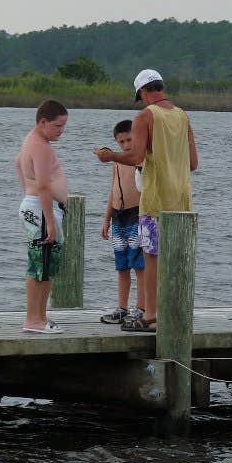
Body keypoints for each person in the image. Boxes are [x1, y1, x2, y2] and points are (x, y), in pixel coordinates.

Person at [94, 69, 198, 331]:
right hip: (182, 201)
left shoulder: (145, 116)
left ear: (142, 92)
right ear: (161, 86)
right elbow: (193, 163)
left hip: (153, 202)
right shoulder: (182, 115)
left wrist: (110, 156)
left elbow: (135, 156)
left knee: (151, 258)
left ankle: (151, 316)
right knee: (174, 260)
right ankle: (174, 313)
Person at [15, 100, 69, 333]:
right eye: (58, 126)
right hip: (41, 208)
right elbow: (45, 186)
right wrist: (50, 222)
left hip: (34, 204)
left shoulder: (32, 140)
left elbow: (18, 163)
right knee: (42, 264)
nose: (61, 131)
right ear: (43, 122)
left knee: (45, 263)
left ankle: (40, 317)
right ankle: (33, 320)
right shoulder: (40, 146)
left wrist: (27, 192)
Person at [99, 120, 146, 324]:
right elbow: (113, 190)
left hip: (136, 215)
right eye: (121, 142)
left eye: (129, 140)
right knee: (122, 265)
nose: (126, 145)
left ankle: (142, 307)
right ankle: (122, 307)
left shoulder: (141, 160)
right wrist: (106, 219)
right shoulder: (117, 161)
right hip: (118, 217)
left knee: (139, 264)